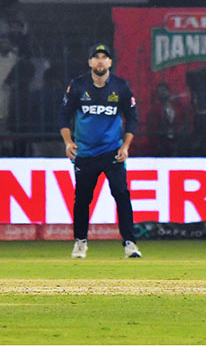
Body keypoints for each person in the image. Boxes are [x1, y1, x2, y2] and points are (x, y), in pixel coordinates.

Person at [56, 43, 142, 259]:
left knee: (122, 194)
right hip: (84, 153)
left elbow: (132, 118)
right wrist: (68, 142)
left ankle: (130, 243)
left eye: (104, 57)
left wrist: (125, 146)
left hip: (112, 152)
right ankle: (80, 242)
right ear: (90, 62)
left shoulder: (121, 87)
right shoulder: (78, 85)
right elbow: (63, 115)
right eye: (96, 57)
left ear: (110, 62)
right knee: (82, 199)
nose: (101, 61)